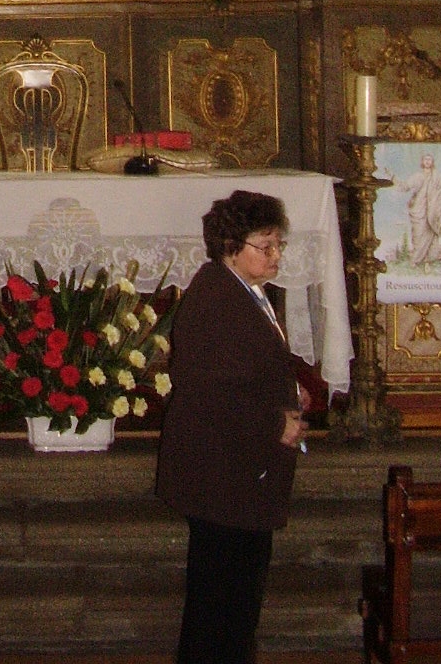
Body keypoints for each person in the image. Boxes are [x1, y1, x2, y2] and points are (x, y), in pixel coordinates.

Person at [155, 189, 309, 664]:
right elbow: (207, 390)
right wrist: (274, 423)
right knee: (221, 606)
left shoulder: (240, 290)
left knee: (236, 603)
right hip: (222, 473)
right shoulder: (217, 301)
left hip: (235, 473)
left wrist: (290, 392)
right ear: (230, 246)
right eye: (266, 245)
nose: (276, 255)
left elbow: (244, 369)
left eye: (278, 244)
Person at [393, 151, 441, 267]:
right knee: (418, 235)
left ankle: (428, 261)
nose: (427, 161)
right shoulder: (417, 176)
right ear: (422, 161)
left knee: (431, 235)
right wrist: (393, 178)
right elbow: (405, 187)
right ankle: (415, 261)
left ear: (432, 162)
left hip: (432, 212)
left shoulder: (437, 176)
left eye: (429, 159)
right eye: (425, 159)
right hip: (418, 210)